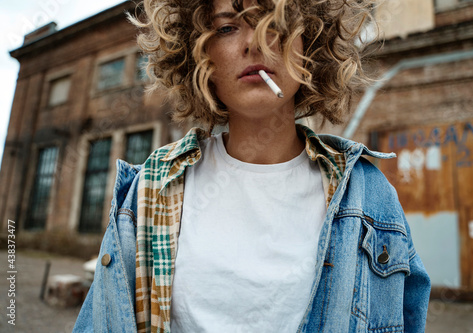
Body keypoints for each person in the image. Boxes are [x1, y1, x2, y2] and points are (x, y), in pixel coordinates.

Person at [74, 0, 431, 332]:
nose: (253, 44)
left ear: (309, 44)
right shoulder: (150, 189)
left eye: (274, 24)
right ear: (201, 55)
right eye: (227, 28)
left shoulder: (368, 195)